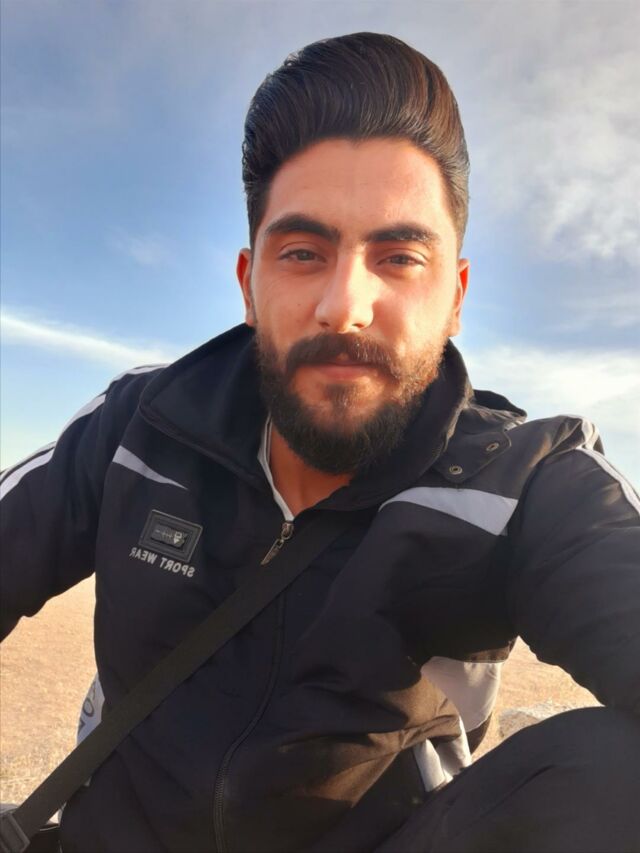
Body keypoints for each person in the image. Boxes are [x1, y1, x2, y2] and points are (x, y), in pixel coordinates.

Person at [1, 32, 639, 853]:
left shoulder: (523, 484)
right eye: (303, 252)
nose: (345, 305)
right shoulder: (143, 425)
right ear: (249, 284)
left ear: (456, 296)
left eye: (398, 256)